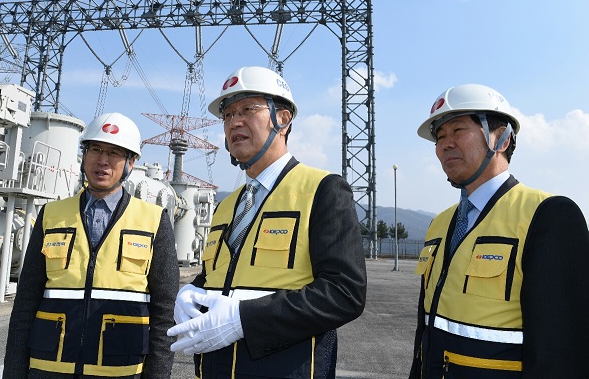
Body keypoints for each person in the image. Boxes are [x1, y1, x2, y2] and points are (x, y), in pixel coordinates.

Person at [167, 66, 367, 378]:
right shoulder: (227, 206)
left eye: (247, 109)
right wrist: (190, 290)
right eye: (228, 114)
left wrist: (243, 320)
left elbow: (344, 294)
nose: (235, 122)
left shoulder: (323, 190)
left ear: (282, 119)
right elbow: (221, 277)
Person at [409, 84, 589, 378]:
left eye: (458, 131)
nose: (445, 144)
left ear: (502, 138)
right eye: (439, 137)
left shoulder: (546, 216)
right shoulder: (439, 224)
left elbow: (561, 355)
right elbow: (424, 331)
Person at [3, 112, 179, 379]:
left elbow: (165, 313)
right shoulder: (52, 215)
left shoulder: (154, 221)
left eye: (115, 152)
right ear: (84, 155)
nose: (103, 160)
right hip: (49, 367)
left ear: (130, 162)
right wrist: (14, 373)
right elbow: (25, 303)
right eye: (95, 149)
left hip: (120, 370)